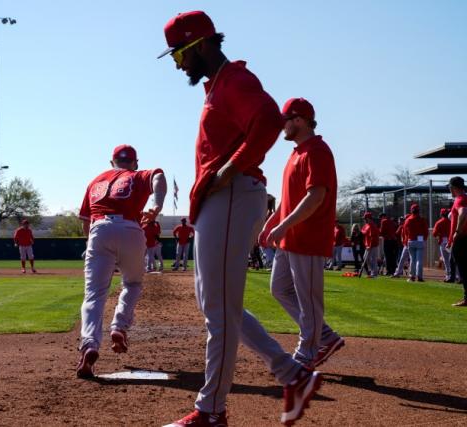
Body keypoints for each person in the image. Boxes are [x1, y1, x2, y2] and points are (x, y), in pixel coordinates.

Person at [158, 12, 321, 426]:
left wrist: (228, 171)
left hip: (233, 196)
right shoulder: (217, 87)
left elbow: (267, 120)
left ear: (199, 44)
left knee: (219, 311)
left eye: (179, 52)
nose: (178, 63)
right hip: (222, 201)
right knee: (216, 304)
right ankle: (292, 373)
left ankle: (210, 411)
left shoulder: (234, 80)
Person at [261, 97, 345, 370]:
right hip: (290, 237)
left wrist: (284, 225)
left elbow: (316, 195)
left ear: (299, 120)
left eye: (285, 120)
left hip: (308, 236)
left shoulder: (317, 150)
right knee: (280, 289)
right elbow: (289, 199)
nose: (282, 126)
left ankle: (308, 352)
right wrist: (272, 221)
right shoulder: (297, 152)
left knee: (308, 298)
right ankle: (325, 336)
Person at [76, 144, 166, 378]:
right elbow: (159, 175)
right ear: (134, 162)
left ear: (111, 162)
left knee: (94, 293)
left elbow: (85, 221)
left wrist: (93, 245)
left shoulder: (96, 180)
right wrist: (156, 204)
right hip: (130, 228)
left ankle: (90, 344)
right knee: (133, 283)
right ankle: (119, 325)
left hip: (99, 229)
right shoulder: (137, 175)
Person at [446, 176, 467, 307]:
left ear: (453, 188)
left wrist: (457, 232)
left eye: (450, 188)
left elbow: (463, 212)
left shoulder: (460, 199)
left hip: (462, 238)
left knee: (464, 269)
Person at [403, 204, 428, 282]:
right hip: (420, 241)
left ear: (411, 210)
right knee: (419, 260)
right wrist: (424, 239)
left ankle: (412, 276)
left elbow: (405, 231)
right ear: (418, 210)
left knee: (413, 260)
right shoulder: (422, 219)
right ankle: (419, 277)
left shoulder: (408, 219)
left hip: (411, 240)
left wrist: (405, 240)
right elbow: (426, 231)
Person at [432, 208, 451, 281]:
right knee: (452, 259)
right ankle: (456, 275)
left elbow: (434, 234)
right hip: (451, 241)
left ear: (441, 214)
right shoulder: (451, 221)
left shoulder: (439, 222)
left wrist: (439, 234)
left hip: (443, 242)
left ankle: (448, 275)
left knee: (446, 260)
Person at [361, 212, 380, 277]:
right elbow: (362, 230)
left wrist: (370, 245)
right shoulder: (366, 225)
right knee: (365, 258)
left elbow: (373, 237)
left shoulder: (372, 226)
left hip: (373, 244)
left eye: (365, 218)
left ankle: (374, 273)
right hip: (367, 245)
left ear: (368, 218)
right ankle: (373, 271)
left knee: (373, 259)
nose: (364, 220)